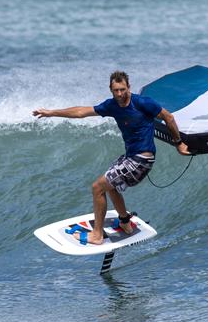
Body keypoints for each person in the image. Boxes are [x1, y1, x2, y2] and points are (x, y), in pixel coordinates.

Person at [33, 71, 191, 246]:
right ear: (110, 89)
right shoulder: (112, 105)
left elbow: (169, 117)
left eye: (122, 90)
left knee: (97, 187)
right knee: (110, 186)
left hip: (141, 160)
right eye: (115, 90)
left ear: (128, 87)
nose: (119, 94)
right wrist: (51, 113)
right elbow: (81, 112)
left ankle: (97, 235)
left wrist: (179, 143)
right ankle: (125, 222)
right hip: (129, 157)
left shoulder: (143, 103)